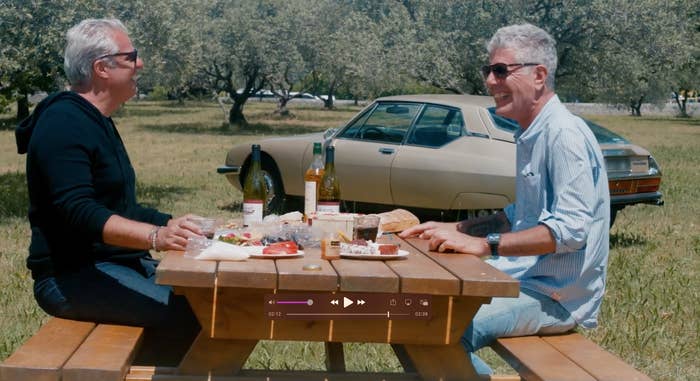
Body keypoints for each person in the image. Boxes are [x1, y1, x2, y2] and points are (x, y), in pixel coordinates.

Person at [400, 23, 610, 374]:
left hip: (555, 297)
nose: (490, 81)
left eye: (500, 70)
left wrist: (486, 246)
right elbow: (519, 215)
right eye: (488, 71)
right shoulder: (533, 131)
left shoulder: (563, 135)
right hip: (518, 279)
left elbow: (571, 232)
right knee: (408, 313)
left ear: (539, 75)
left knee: (427, 326)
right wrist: (458, 227)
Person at [15, 18, 203, 365]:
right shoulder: (63, 123)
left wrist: (173, 222)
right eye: (131, 56)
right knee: (193, 317)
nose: (140, 64)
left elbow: (117, 205)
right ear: (102, 68)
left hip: (114, 264)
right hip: (71, 277)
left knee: (207, 302)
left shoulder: (96, 119)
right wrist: (157, 236)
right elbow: (78, 210)